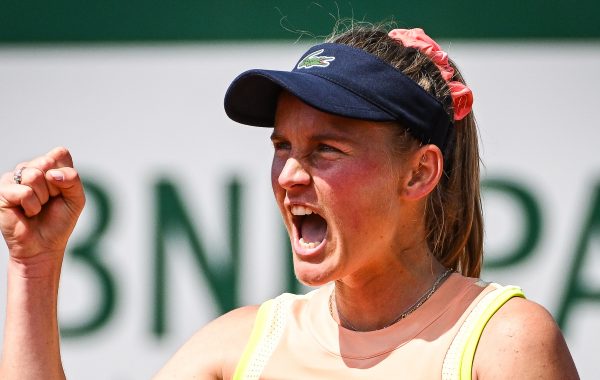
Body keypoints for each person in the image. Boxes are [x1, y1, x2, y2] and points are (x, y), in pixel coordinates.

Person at [0, 25, 579, 379]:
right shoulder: (242, 345)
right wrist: (34, 267)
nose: (289, 176)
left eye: (326, 149)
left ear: (419, 172)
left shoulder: (504, 341)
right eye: (282, 146)